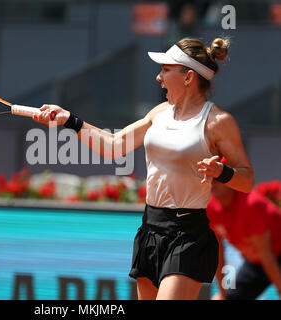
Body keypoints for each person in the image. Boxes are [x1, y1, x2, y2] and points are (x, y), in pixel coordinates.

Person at [32, 37, 254, 300]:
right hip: (150, 229)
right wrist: (71, 121)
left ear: (188, 77)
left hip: (189, 236)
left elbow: (247, 179)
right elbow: (114, 145)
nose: (159, 78)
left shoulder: (219, 122)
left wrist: (222, 173)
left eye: (165, 70)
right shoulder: (159, 113)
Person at [207, 164, 281, 300]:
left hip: (273, 255)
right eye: (209, 178)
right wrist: (223, 294)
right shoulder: (210, 208)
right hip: (257, 262)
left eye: (217, 178)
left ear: (230, 180)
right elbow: (218, 253)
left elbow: (266, 254)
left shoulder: (251, 204)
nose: (212, 183)